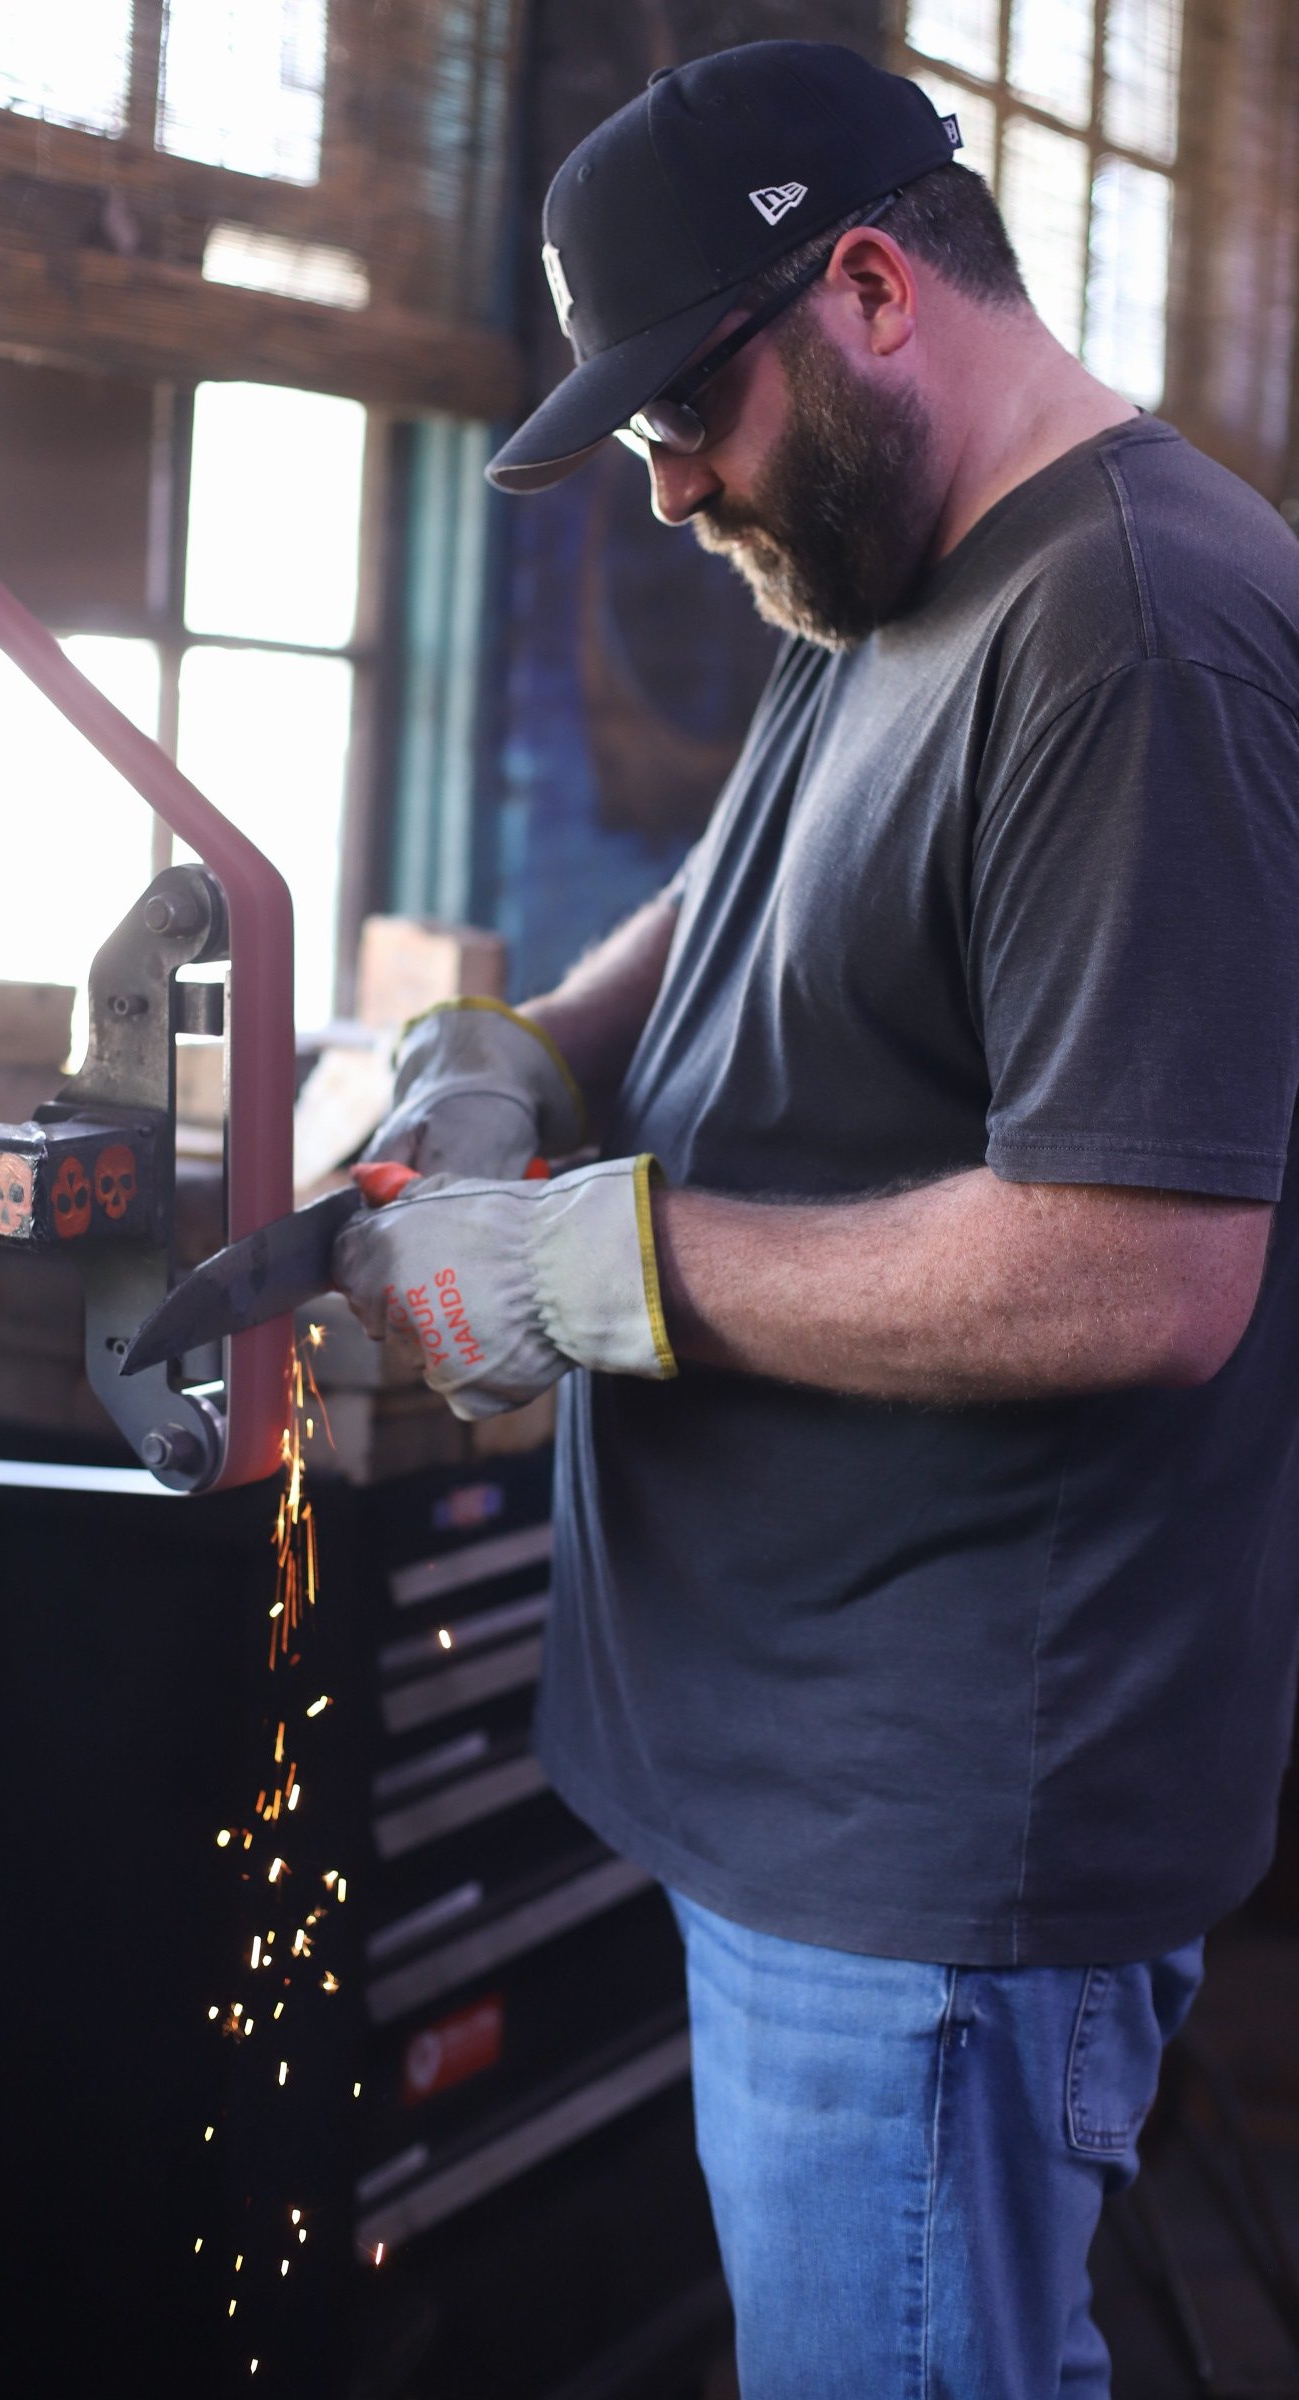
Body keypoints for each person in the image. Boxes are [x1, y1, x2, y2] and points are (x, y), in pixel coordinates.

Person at [332, 40, 1299, 2398]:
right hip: (801, 1793)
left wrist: (594, 1267)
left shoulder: (1131, 630)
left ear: (867, 287)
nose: (666, 485)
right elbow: (742, 898)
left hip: (936, 1849)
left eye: (686, 412)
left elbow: (1137, 1266)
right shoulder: (887, 564)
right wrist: (512, 1052)